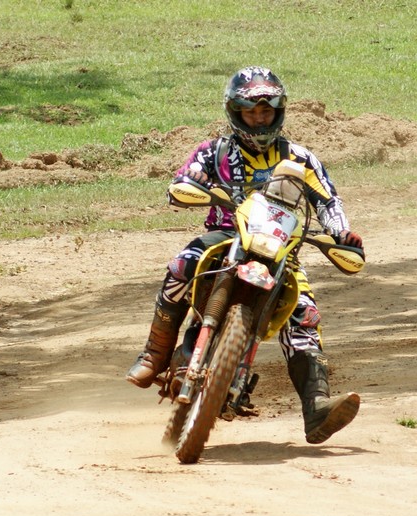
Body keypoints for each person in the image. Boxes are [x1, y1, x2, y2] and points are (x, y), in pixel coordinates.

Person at [126, 66, 364, 444]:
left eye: (266, 111)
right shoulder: (214, 151)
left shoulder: (301, 159)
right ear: (235, 112)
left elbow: (328, 202)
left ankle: (316, 406)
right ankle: (154, 354)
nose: (259, 118)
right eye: (251, 112)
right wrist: (189, 183)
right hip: (224, 237)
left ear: (279, 111)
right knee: (181, 266)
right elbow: (181, 181)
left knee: (305, 315)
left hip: (283, 252)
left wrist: (341, 232)